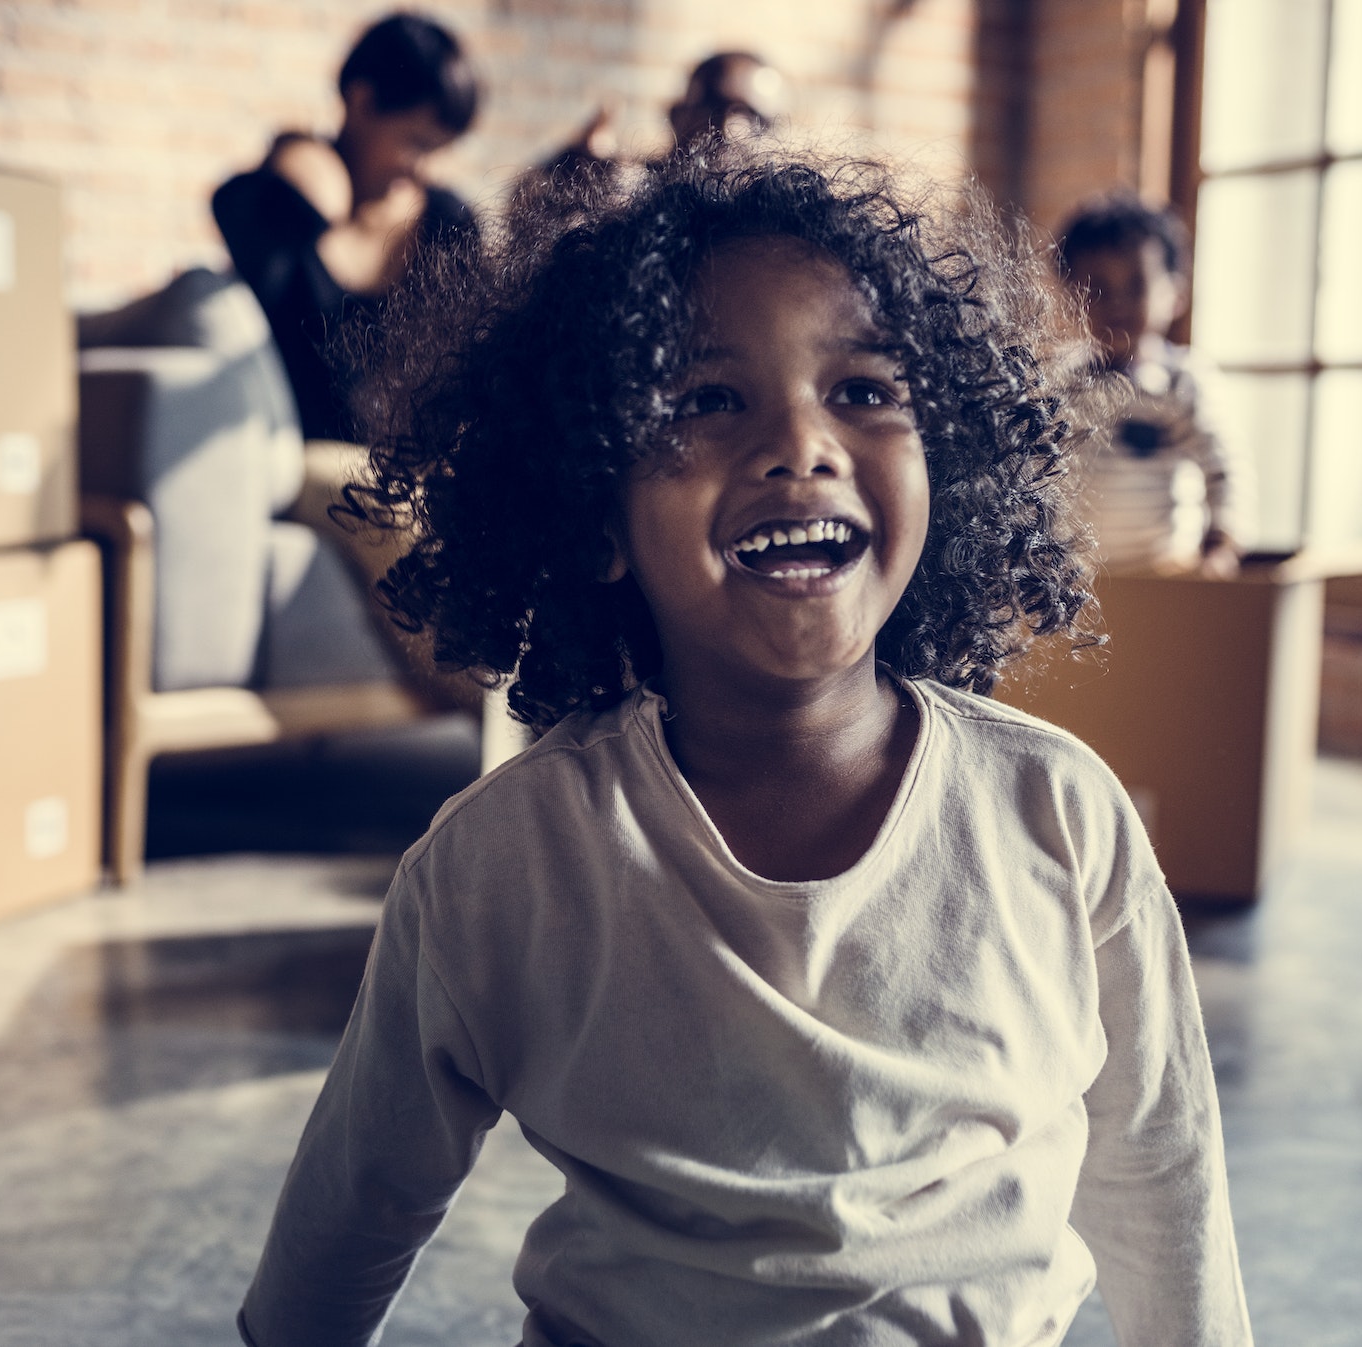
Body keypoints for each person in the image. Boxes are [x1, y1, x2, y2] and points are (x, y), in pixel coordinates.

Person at [238, 150, 1253, 1347]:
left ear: (952, 467)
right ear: (591, 511)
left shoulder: (1056, 813)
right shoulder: (500, 865)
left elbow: (1156, 1169)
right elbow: (355, 1206)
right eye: (705, 400)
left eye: (865, 389)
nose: (800, 445)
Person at [213, 11, 480, 442]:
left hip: (407, 469)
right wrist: (300, 161)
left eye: (439, 148)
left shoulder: (449, 224)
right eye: (416, 143)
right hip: (302, 463)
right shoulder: (281, 212)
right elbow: (233, 210)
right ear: (361, 102)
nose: (425, 169)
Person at [1059, 195, 1243, 578]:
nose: (1117, 303)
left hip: (1165, 576)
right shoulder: (1059, 383)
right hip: (1078, 582)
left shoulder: (1181, 382)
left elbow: (1223, 470)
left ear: (1176, 295)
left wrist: (1220, 546)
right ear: (1070, 296)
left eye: (1136, 285)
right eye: (1097, 289)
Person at [539, 50, 789, 179]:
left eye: (753, 118)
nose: (729, 129)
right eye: (713, 107)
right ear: (676, 115)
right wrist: (574, 172)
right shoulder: (628, 191)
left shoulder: (785, 230)